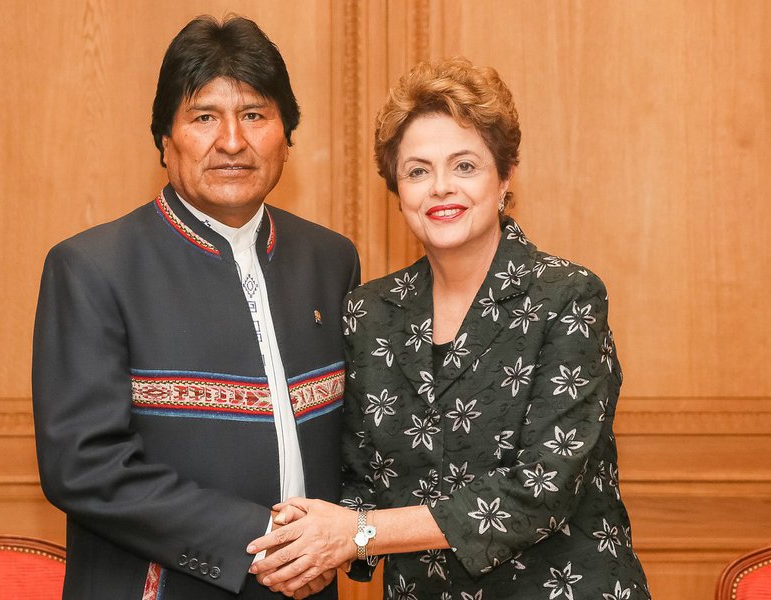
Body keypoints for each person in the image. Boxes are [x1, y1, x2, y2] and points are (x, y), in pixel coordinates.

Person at [246, 57, 651, 599]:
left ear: (505, 177)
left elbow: (543, 489)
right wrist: (306, 551)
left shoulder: (567, 297)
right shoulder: (369, 313)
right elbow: (360, 480)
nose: (440, 188)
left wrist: (356, 534)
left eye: (465, 166)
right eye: (418, 171)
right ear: (398, 191)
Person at [32, 15, 359, 600]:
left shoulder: (330, 260)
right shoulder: (92, 268)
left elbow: (358, 438)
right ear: (165, 140)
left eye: (254, 115)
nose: (232, 141)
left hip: (310, 584)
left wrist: (352, 536)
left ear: (287, 136)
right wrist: (265, 540)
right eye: (204, 117)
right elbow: (85, 467)